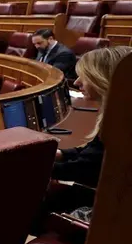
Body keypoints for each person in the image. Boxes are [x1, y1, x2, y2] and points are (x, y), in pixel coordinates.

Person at [51, 46, 131, 187]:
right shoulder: (119, 111)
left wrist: (31, 165)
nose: (76, 82)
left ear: (103, 79)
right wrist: (59, 154)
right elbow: (93, 154)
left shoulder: (122, 123)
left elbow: (86, 170)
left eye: (85, 77)